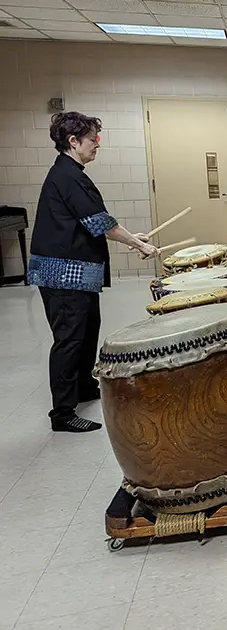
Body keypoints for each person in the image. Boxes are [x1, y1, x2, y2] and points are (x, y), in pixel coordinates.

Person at [28, 112, 159, 433]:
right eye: (92, 140)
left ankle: (84, 387)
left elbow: (97, 219)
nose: (96, 145)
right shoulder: (66, 175)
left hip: (79, 271)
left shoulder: (72, 173)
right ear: (72, 142)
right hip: (62, 273)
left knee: (87, 331)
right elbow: (98, 221)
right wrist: (136, 244)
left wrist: (132, 237)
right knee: (69, 338)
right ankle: (62, 413)